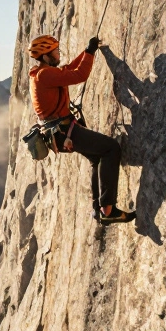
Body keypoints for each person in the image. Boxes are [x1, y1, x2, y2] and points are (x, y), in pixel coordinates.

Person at [27, 34, 134, 224]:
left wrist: (86, 51)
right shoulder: (45, 75)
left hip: (60, 133)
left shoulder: (43, 74)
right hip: (64, 131)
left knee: (97, 158)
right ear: (45, 56)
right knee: (110, 149)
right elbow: (79, 75)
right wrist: (91, 52)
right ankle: (107, 210)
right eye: (55, 51)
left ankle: (99, 209)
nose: (58, 53)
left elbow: (68, 69)